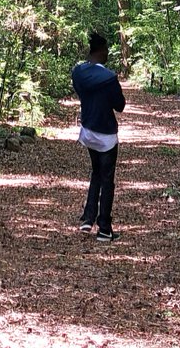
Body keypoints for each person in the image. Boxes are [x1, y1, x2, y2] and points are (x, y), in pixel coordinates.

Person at [71, 30, 125, 241]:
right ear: (101, 51)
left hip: (88, 131)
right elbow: (119, 105)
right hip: (106, 136)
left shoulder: (78, 73)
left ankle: (87, 218)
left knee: (95, 173)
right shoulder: (109, 78)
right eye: (107, 50)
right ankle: (104, 229)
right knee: (107, 179)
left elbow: (81, 92)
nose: (108, 54)